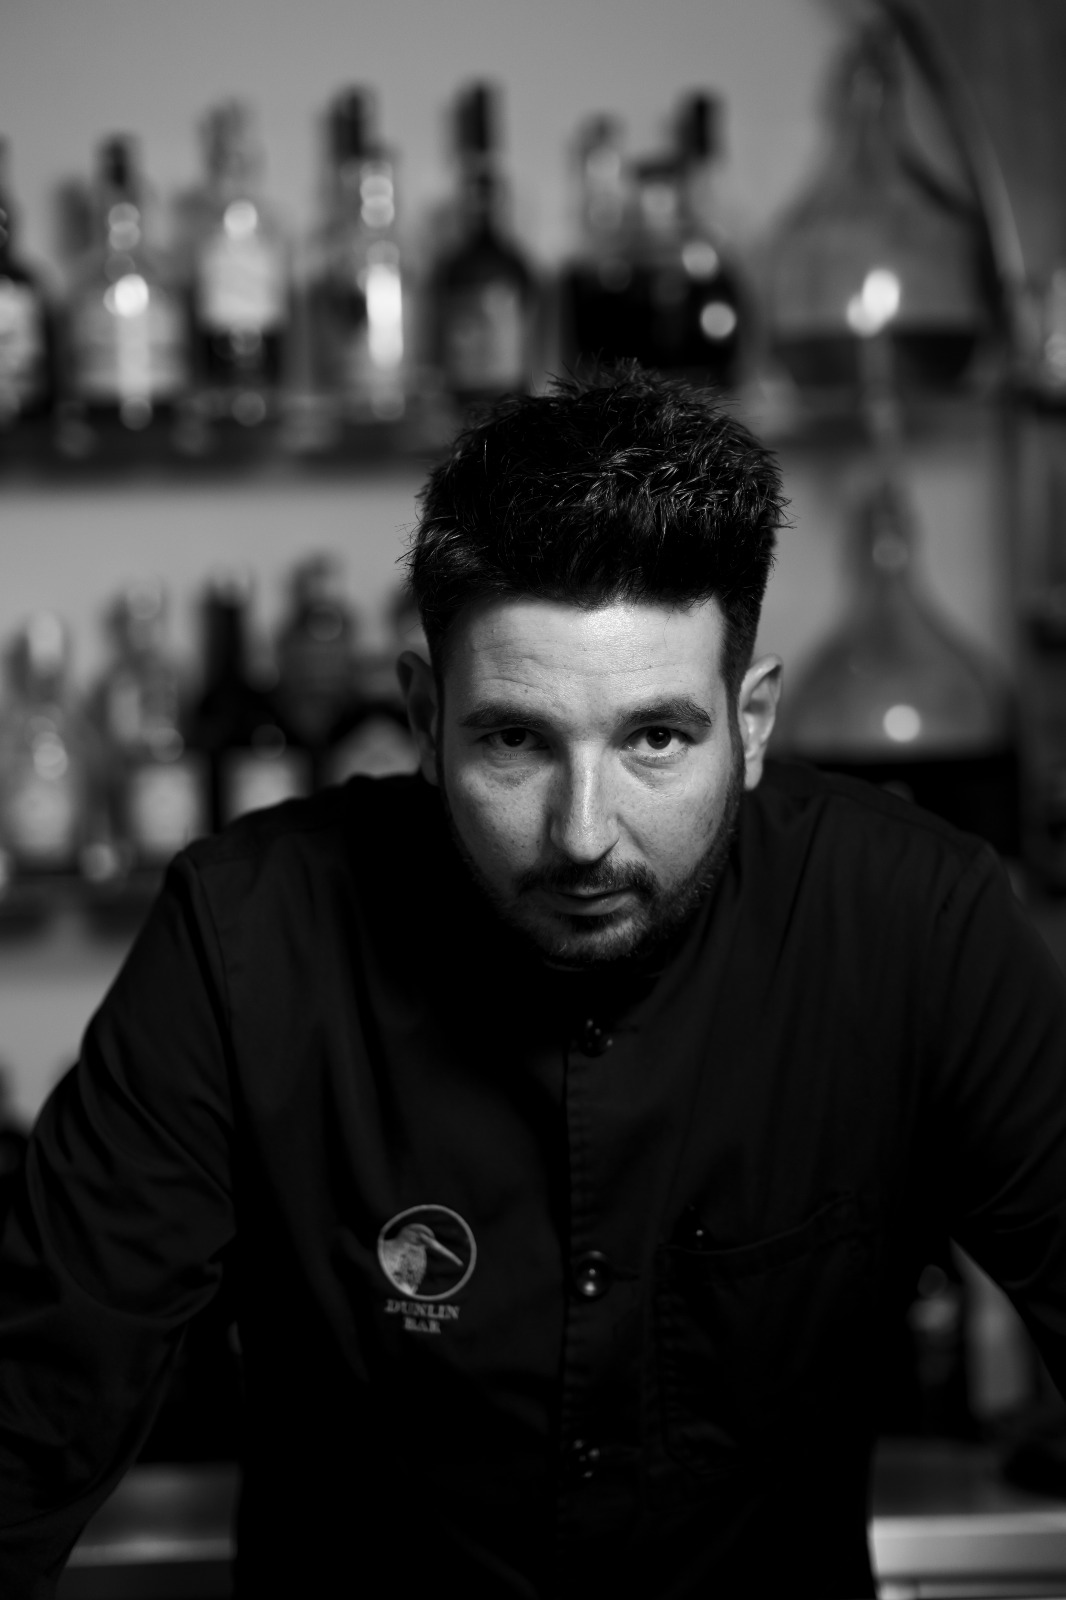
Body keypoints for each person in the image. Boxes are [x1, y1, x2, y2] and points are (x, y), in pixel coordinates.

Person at [1, 365, 1065, 1599]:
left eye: (655, 738)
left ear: (753, 721)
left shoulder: (918, 924)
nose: (582, 834)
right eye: (515, 739)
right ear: (424, 715)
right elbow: (31, 1410)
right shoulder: (245, 937)